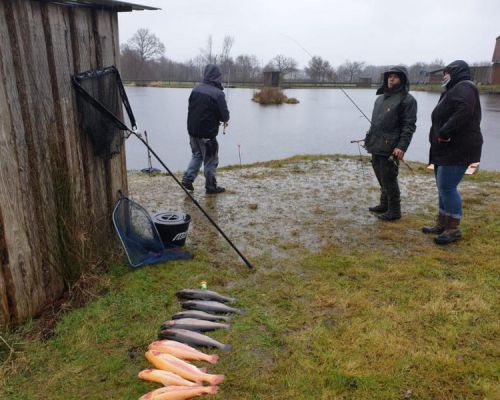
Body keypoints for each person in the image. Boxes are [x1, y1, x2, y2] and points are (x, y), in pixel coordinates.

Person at [422, 60, 483, 244]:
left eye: (446, 73)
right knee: (442, 187)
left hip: (458, 148)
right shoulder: (452, 89)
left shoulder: (465, 87)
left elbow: (463, 111)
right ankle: (442, 222)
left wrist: (445, 132)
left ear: (456, 72)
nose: (444, 76)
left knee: (448, 187)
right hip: (443, 149)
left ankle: (453, 228)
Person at [364, 66, 417, 221]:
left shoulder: (408, 100)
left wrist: (401, 146)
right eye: (389, 76)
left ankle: (395, 211)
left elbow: (409, 126)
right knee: (380, 175)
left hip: (391, 146)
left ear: (402, 79)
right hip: (375, 143)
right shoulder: (380, 98)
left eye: (395, 76)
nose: (391, 79)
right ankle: (384, 204)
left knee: (389, 177)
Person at [181, 64, 229, 194]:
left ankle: (187, 179)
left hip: (192, 130)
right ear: (217, 77)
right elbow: (225, 116)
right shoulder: (218, 94)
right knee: (211, 160)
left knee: (197, 155)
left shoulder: (195, 89)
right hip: (207, 134)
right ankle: (211, 187)